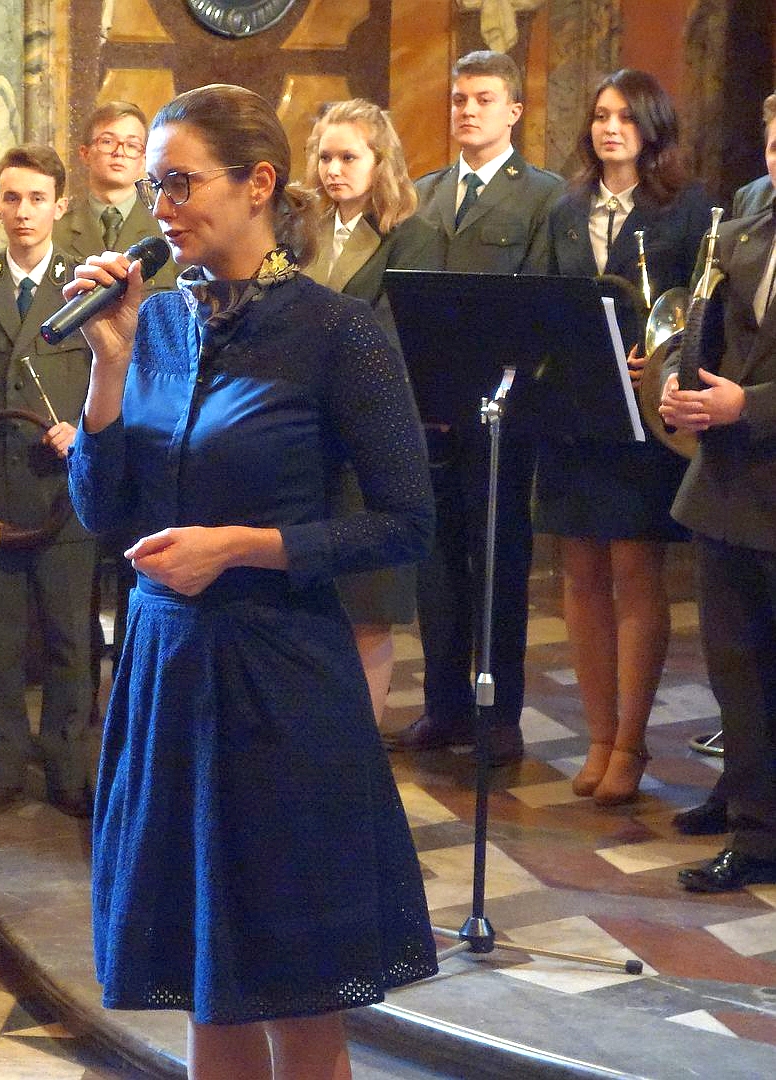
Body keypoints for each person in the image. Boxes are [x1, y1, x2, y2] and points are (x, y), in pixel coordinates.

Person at [66, 84, 437, 1079]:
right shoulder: (152, 322)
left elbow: (406, 522)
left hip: (279, 678)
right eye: (153, 187)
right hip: (166, 675)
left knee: (296, 994)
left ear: (259, 183)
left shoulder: (337, 332)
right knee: (204, 984)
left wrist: (243, 546)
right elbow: (102, 511)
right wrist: (107, 366)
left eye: (181, 184)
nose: (161, 208)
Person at [383, 50, 561, 767]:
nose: (467, 110)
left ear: (514, 110)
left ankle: (499, 714)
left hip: (499, 412)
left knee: (497, 564)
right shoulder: (421, 193)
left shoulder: (542, 196)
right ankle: (444, 704)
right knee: (436, 563)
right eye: (459, 98)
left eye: (483, 99)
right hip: (429, 411)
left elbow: (540, 303)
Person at [540, 71, 713, 805]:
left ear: (652, 127)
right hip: (576, 409)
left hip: (644, 419)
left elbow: (701, 308)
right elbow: (551, 296)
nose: (611, 128)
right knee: (579, 573)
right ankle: (598, 735)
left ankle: (631, 743)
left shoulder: (687, 208)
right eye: (601, 115)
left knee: (633, 569)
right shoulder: (566, 206)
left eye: (626, 117)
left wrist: (666, 356)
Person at [0, 145, 96, 816]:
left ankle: (67, 769)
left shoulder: (89, 288)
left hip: (67, 495)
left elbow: (116, 383)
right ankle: (1, 769)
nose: (24, 211)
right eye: (12, 198)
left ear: (60, 205)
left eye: (37, 198)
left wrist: (86, 434)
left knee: (69, 639)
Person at [663, 93, 776, 894]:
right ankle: (752, 815)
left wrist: (751, 406)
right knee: (736, 669)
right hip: (727, 488)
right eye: (774, 143)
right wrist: (681, 391)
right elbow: (710, 340)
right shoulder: (744, 227)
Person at [301, 98, 434, 727]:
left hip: (371, 439)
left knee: (366, 606)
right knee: (311, 604)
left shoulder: (413, 235)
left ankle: (358, 749)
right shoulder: (301, 232)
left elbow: (400, 339)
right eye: (325, 157)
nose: (334, 170)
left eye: (348, 158)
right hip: (303, 437)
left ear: (381, 162)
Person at [55, 101, 179, 289]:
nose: (119, 152)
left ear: (144, 159)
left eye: (132, 145)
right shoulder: (56, 233)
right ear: (85, 153)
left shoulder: (168, 231)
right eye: (107, 141)